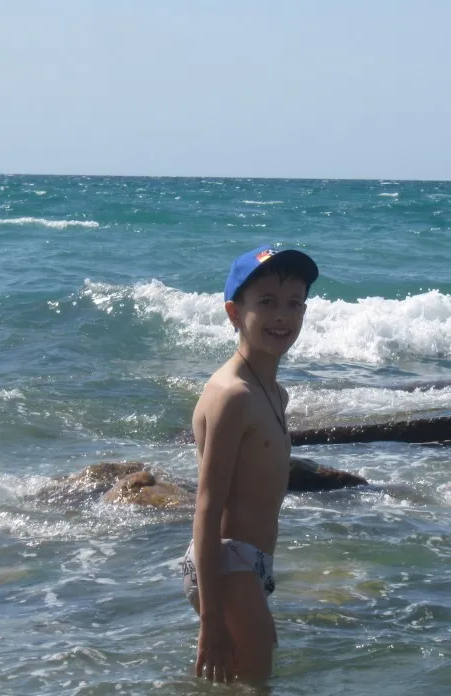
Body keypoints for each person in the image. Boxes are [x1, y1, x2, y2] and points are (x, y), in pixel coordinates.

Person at [178, 245, 319, 684]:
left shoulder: (275, 393)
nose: (282, 316)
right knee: (256, 686)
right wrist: (211, 620)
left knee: (244, 683)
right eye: (267, 302)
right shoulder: (232, 396)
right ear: (234, 313)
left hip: (250, 565)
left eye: (294, 303)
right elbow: (206, 508)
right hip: (226, 562)